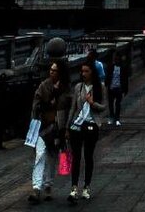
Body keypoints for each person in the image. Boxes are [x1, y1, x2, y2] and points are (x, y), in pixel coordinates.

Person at [28, 58, 71, 204]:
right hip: (43, 125)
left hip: (57, 127)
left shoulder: (65, 88)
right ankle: (36, 187)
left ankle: (48, 186)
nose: (51, 72)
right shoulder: (43, 86)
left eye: (54, 70)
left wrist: (66, 128)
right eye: (50, 70)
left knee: (52, 157)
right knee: (40, 155)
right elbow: (36, 104)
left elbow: (68, 108)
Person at [67, 61, 106, 203]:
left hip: (91, 125)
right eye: (82, 71)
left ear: (92, 73)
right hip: (77, 125)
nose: (83, 74)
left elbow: (103, 107)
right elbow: (73, 108)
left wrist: (92, 103)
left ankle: (87, 187)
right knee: (76, 157)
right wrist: (67, 126)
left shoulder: (100, 87)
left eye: (86, 71)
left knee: (88, 156)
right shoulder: (78, 87)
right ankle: (74, 188)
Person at [105, 50, 128, 126]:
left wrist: (125, 90)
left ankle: (117, 118)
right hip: (111, 88)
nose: (116, 60)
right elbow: (107, 77)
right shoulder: (110, 67)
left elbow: (125, 79)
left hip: (119, 88)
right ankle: (112, 117)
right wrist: (106, 85)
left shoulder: (123, 67)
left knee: (118, 104)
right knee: (111, 104)